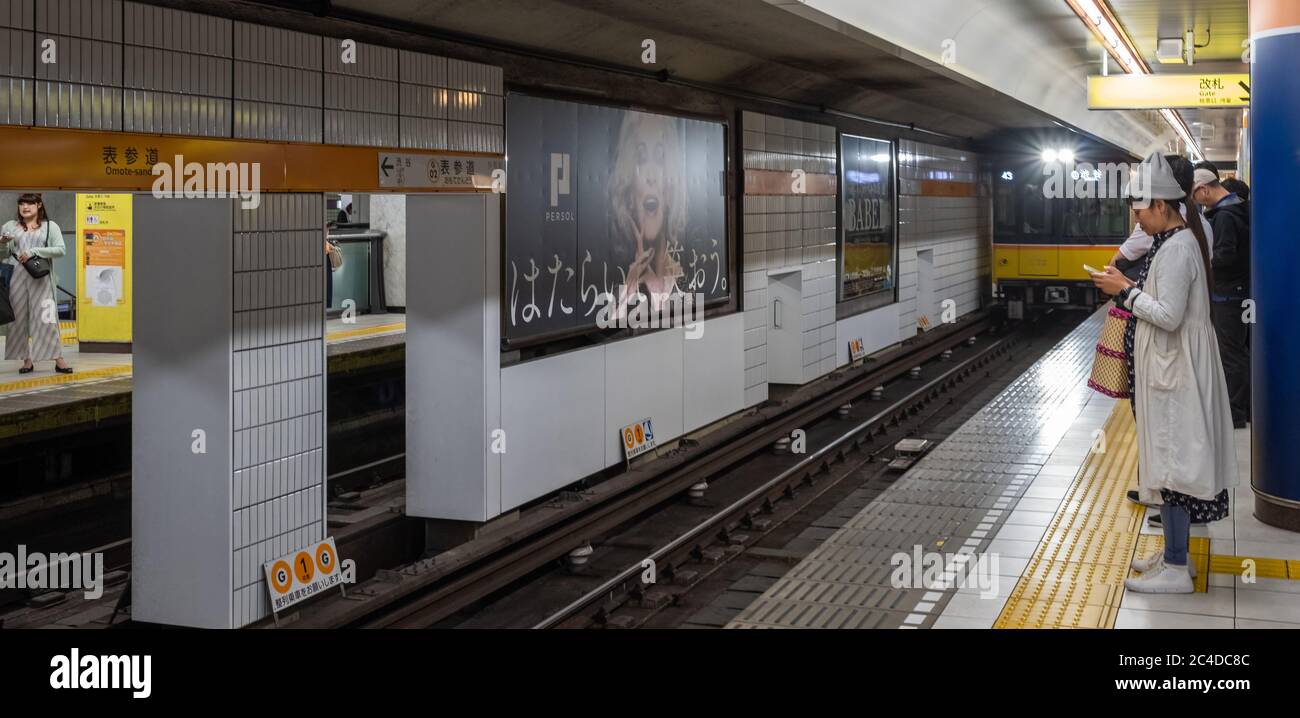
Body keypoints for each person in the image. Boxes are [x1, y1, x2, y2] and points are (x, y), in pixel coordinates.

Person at [1091, 153, 1236, 594]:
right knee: (1172, 463)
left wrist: (1125, 291)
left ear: (1160, 205)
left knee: (1175, 465)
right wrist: (1129, 288)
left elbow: (1169, 315)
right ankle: (1176, 555)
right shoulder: (1176, 241)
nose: (1138, 221)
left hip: (1178, 369)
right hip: (1173, 366)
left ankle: (1175, 569)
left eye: (1140, 211)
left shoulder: (1177, 247)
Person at [1192, 164, 1251, 428]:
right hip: (1236, 291)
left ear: (1203, 190)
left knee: (1231, 352)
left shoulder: (1225, 216)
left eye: (1194, 195)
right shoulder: (1236, 208)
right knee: (1236, 350)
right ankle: (1240, 408)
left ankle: (1235, 413)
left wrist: (1203, 265)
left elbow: (1225, 256)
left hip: (1229, 294)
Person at [1, 194, 72, 374]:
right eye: (22, 204)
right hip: (15, 277)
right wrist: (2, 243)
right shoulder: (10, 226)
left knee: (46, 318)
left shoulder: (50, 226)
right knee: (17, 320)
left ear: (39, 205)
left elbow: (60, 250)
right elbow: (4, 254)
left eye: (30, 204)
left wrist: (34, 251)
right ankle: (27, 360)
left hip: (40, 278)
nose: (25, 207)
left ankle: (58, 359)